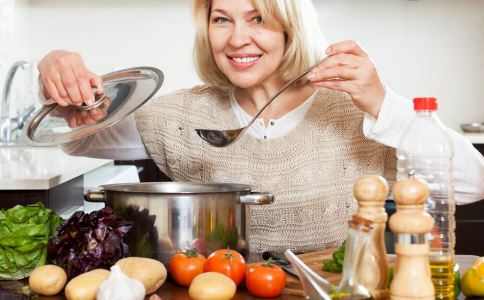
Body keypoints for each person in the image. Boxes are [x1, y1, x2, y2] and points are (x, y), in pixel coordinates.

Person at [37, 0, 484, 253]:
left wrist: (382, 102)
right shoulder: (177, 116)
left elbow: (470, 183)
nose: (236, 39)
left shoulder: (354, 114)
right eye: (221, 19)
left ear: (290, 28)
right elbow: (80, 136)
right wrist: (57, 74)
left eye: (258, 18)